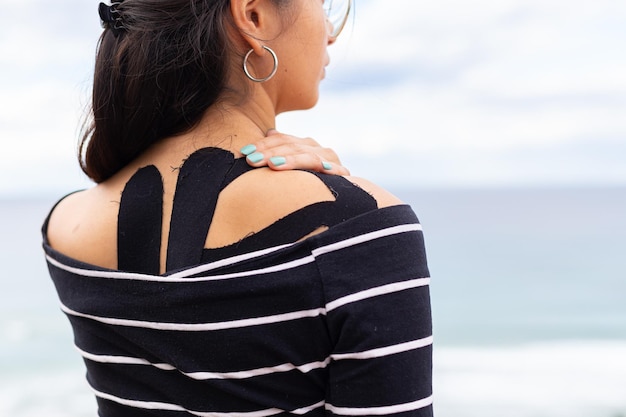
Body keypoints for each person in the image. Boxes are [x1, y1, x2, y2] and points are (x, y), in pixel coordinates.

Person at [42, 0, 434, 416]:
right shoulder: (362, 230)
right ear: (253, 16)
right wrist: (347, 200)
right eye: (323, 4)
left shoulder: (65, 226)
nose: (331, 31)